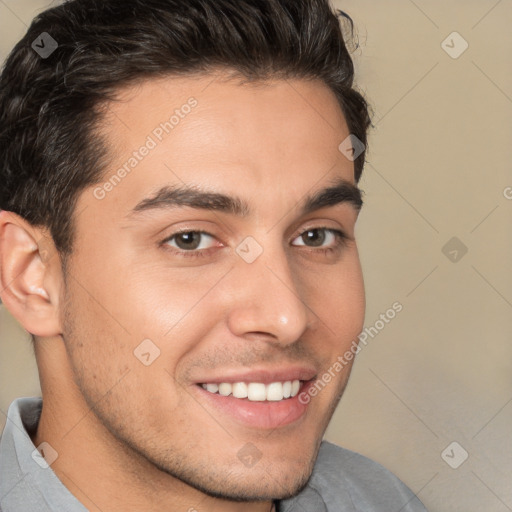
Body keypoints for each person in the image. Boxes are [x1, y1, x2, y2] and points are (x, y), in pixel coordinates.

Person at [0, 0, 428, 510]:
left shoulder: (379, 500)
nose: (287, 317)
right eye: (191, 240)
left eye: (315, 236)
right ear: (31, 276)